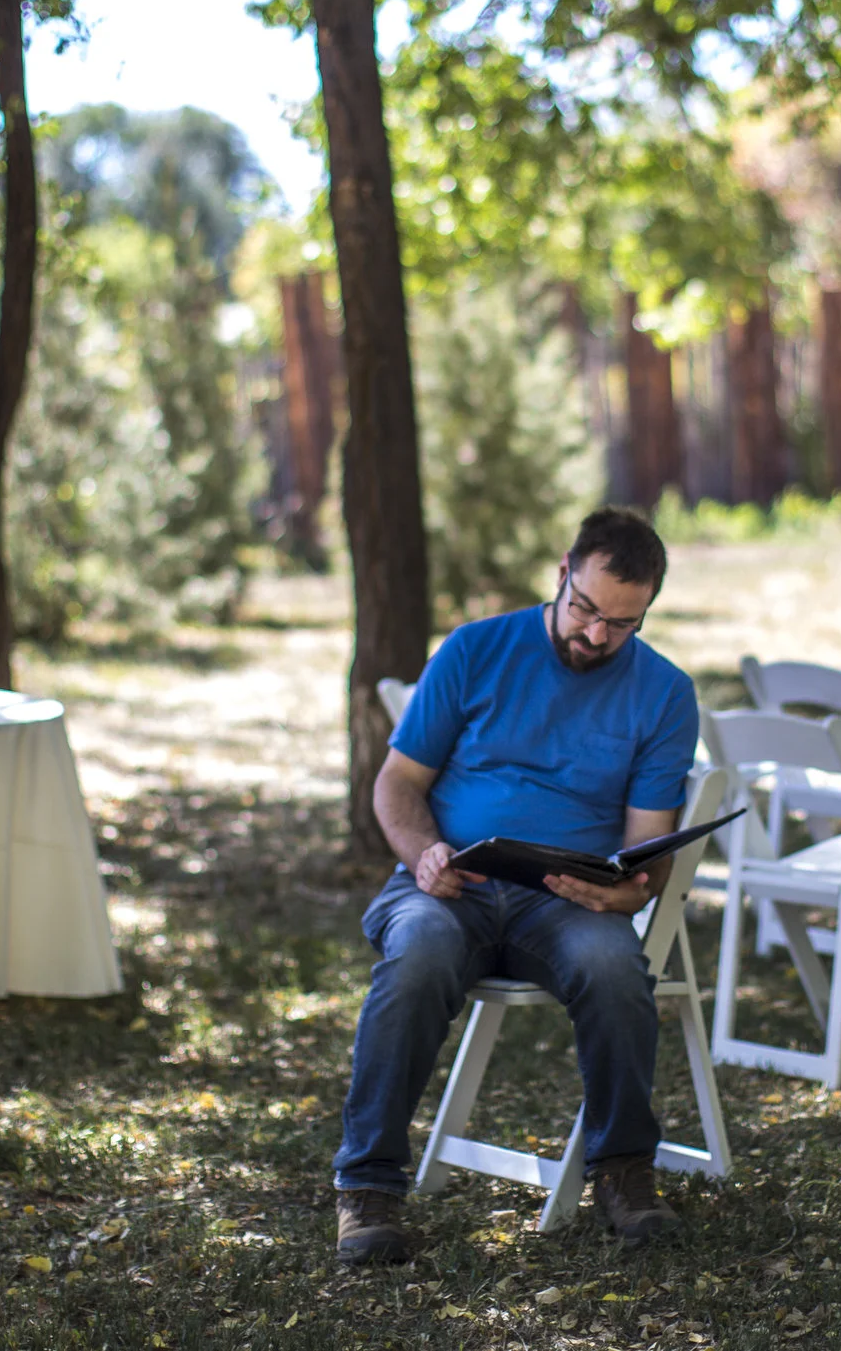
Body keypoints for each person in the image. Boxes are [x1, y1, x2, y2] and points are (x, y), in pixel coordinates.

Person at [332, 507, 701, 1263]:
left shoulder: (664, 692)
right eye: (586, 609)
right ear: (562, 570)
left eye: (623, 623)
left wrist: (633, 892)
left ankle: (625, 1173)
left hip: (564, 899)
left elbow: (647, 849)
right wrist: (426, 852)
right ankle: (368, 1188)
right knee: (418, 956)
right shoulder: (475, 648)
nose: (597, 635)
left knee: (613, 967)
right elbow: (397, 785)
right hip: (448, 882)